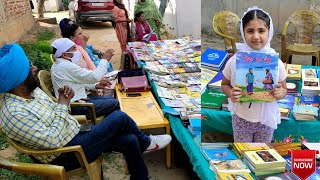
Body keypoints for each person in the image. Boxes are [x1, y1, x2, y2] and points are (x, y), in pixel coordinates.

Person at [0, 43, 172, 180]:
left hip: (74, 134)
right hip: (67, 154)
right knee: (119, 117)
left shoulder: (33, 92)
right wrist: (62, 104)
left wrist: (63, 103)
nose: (35, 68)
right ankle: (146, 142)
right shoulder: (14, 113)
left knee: (130, 139)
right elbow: (52, 140)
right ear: (18, 78)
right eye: (29, 67)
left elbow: (57, 116)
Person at [221, 6, 287, 143]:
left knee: (262, 155)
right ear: (243, 33)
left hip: (265, 121)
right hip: (241, 119)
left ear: (269, 32)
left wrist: (280, 93)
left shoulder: (276, 63)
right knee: (243, 153)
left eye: (261, 31)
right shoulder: (235, 61)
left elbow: (284, 89)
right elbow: (225, 84)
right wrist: (230, 92)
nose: (256, 36)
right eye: (250, 31)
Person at [51, 38, 118, 119]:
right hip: (76, 106)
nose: (77, 51)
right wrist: (105, 60)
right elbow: (95, 76)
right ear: (65, 55)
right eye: (74, 49)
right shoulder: (65, 66)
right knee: (114, 103)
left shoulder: (62, 64)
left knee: (111, 100)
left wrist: (96, 86)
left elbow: (78, 82)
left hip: (80, 101)